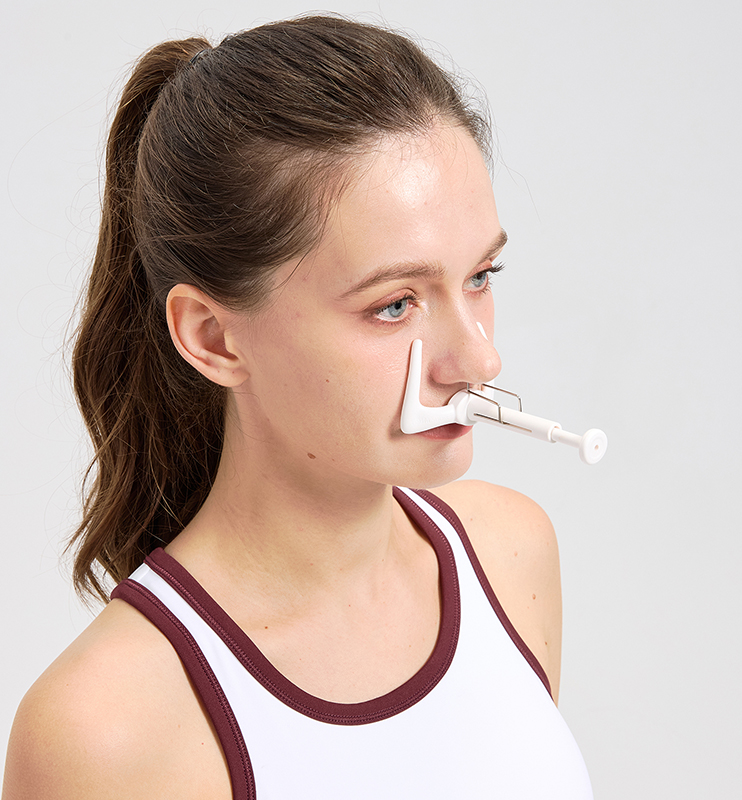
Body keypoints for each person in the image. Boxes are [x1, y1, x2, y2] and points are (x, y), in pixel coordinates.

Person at [2, 15, 593, 799]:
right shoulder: (106, 730)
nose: (480, 361)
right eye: (394, 305)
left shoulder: (509, 555)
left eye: (480, 277)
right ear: (213, 337)